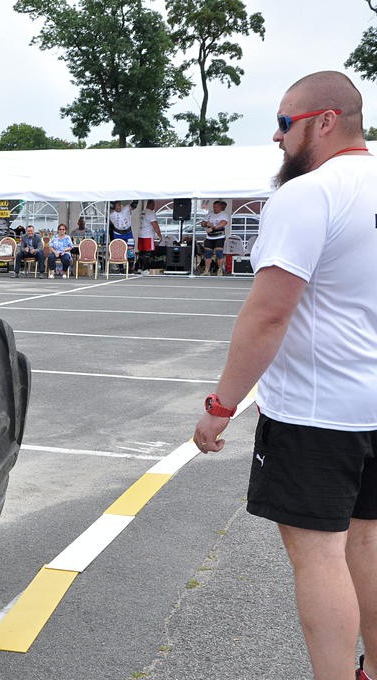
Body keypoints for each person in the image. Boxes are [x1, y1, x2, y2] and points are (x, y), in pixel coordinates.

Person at [191, 71, 377, 680]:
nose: (275, 138)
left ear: (323, 121)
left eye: (282, 123)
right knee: (367, 546)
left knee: (319, 556)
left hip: (318, 411)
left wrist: (222, 405)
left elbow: (269, 313)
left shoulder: (309, 194)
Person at [200, 200, 229, 275]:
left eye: (216, 207)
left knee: (219, 253)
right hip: (209, 237)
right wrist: (206, 223)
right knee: (207, 254)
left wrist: (214, 227)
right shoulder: (210, 214)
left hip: (219, 237)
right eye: (214, 207)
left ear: (220, 207)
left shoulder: (223, 214)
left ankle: (220, 269)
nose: (215, 208)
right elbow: (202, 223)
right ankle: (207, 270)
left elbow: (223, 223)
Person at [137, 200, 162, 274]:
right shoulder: (151, 213)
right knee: (147, 254)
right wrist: (159, 235)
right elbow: (155, 225)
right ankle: (145, 269)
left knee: (141, 253)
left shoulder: (142, 212)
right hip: (148, 236)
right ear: (151, 204)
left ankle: (139, 268)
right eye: (154, 205)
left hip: (141, 235)